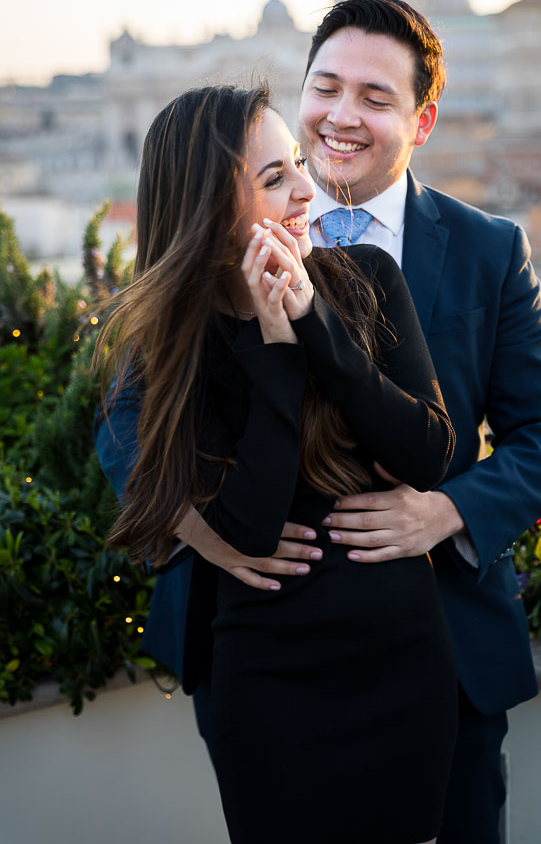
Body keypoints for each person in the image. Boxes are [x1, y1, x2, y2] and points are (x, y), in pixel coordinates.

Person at [96, 0, 541, 843]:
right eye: (326, 86)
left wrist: (446, 511)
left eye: (374, 96)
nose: (341, 116)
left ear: (422, 120)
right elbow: (125, 415)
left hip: (437, 652)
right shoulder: (223, 223)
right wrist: (194, 523)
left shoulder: (487, 248)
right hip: (254, 643)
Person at [95, 83, 458, 844]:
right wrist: (277, 355)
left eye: (297, 162)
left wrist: (310, 321)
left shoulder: (366, 278)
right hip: (266, 677)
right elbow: (253, 525)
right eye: (273, 178)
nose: (307, 187)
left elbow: (426, 453)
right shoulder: (168, 351)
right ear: (206, 208)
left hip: (399, 663)